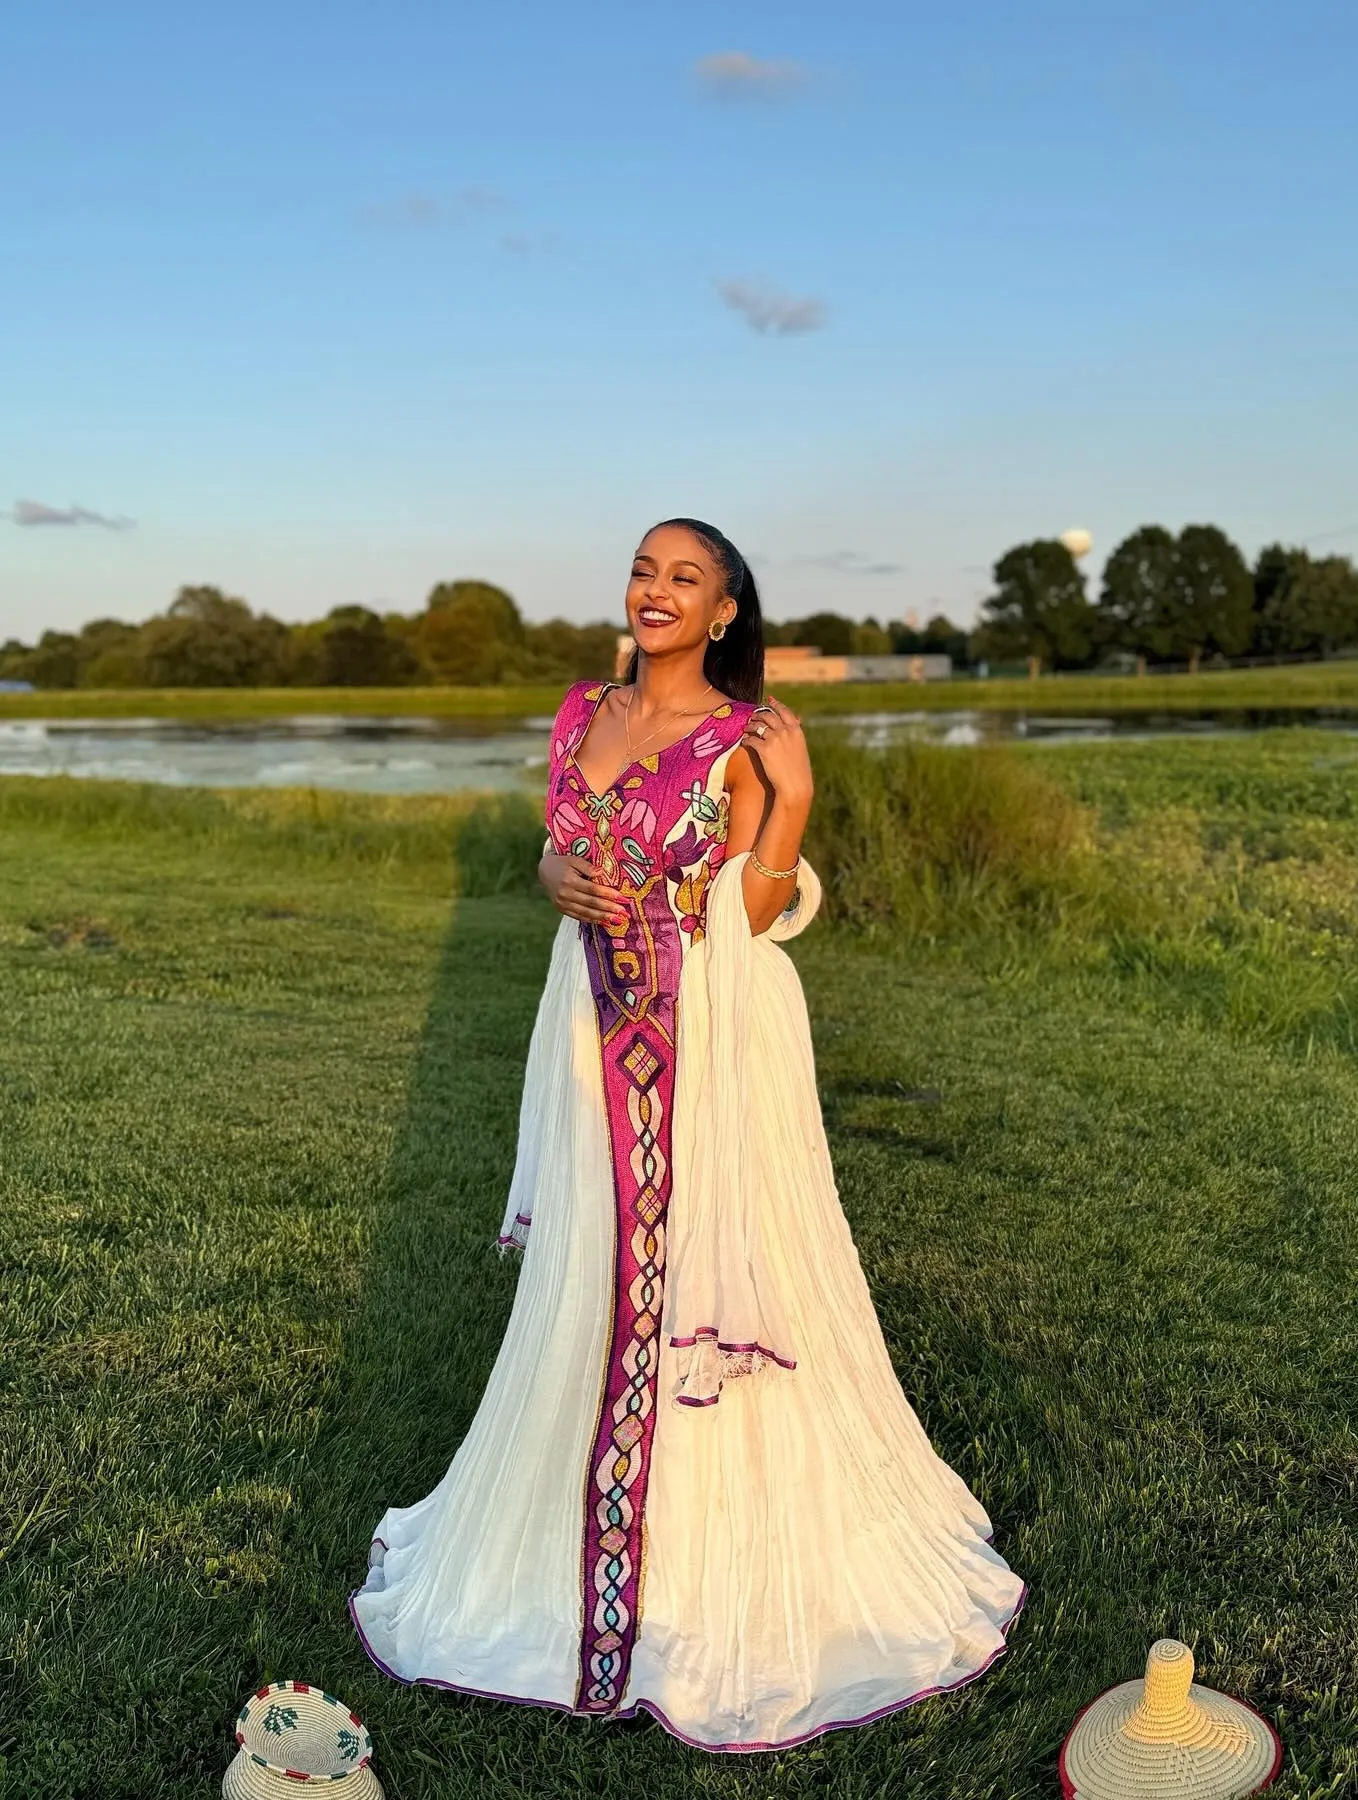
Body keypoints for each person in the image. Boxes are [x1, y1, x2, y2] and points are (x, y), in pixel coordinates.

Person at [350, 517, 1025, 1752]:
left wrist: (797, 802)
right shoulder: (578, 712)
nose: (656, 591)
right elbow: (565, 845)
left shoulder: (746, 737)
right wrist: (556, 874)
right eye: (645, 570)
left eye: (686, 578)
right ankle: (563, 1542)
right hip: (587, 1027)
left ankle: (704, 1568)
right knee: (596, 1272)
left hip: (701, 1039)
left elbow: (759, 915)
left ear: (724, 612)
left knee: (689, 1273)